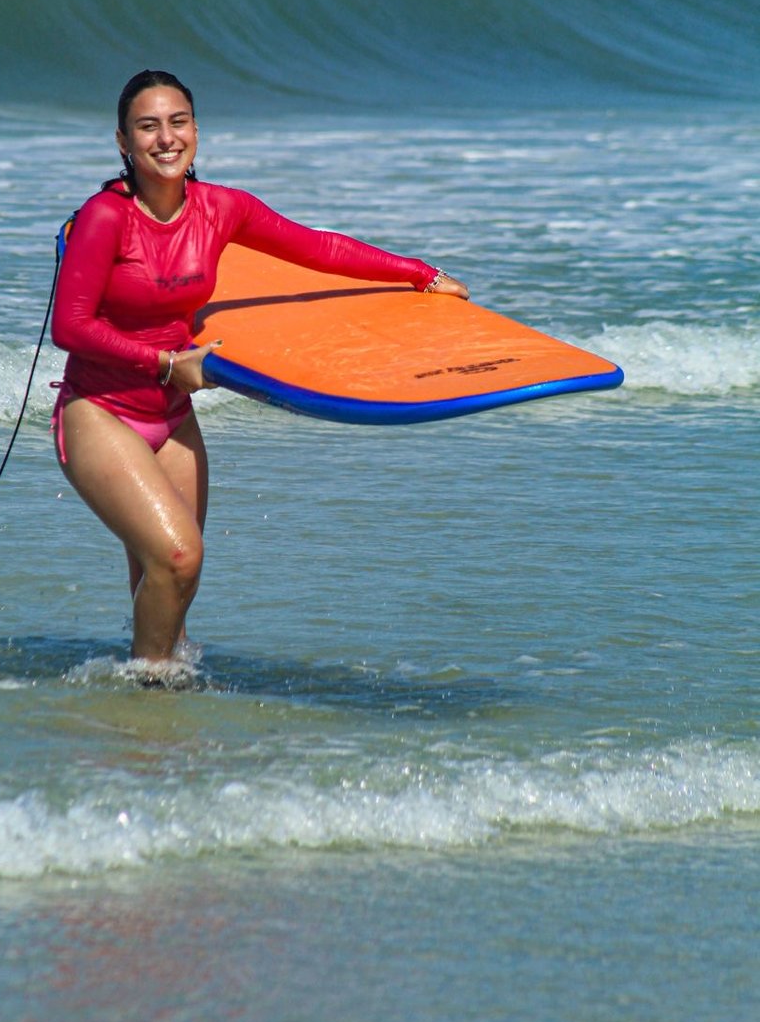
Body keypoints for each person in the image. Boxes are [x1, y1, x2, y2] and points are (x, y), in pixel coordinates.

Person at [50, 70, 469, 676]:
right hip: (100, 410)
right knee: (179, 556)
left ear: (196, 131)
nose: (165, 139)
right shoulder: (104, 217)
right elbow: (72, 325)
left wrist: (419, 273)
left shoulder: (222, 209)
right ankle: (151, 686)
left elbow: (318, 248)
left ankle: (150, 719)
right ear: (122, 141)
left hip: (170, 414)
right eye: (147, 127)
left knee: (167, 575)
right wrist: (167, 362)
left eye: (177, 123)